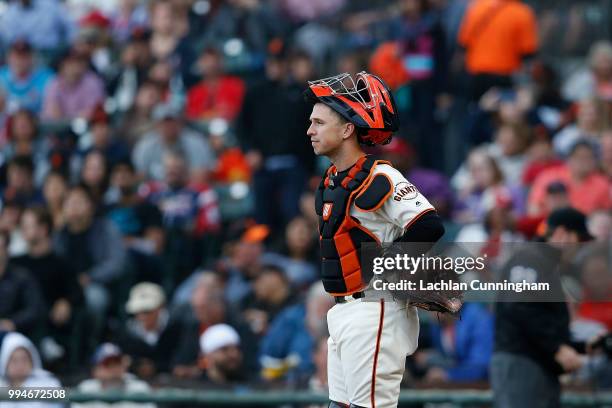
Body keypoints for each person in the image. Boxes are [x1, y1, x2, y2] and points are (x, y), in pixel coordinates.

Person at [304, 71, 447, 407]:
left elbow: (429, 225)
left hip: (376, 308)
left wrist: (393, 267)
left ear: (347, 128)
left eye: (319, 122)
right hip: (343, 311)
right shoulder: (331, 180)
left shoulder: (380, 175)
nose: (310, 130)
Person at [491, 207, 593, 408]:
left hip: (536, 365)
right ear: (562, 234)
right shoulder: (530, 259)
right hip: (521, 364)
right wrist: (558, 348)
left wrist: (581, 346)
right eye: (579, 239)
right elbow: (520, 307)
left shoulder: (545, 264)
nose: (581, 248)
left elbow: (540, 318)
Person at [458, 0, 538, 101]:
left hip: (474, 72)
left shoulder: (477, 6)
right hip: (503, 75)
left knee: (472, 110)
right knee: (495, 113)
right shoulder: (523, 13)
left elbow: (464, 42)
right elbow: (528, 52)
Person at [114, 283, 182, 379]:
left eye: (147, 311)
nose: (142, 316)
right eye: (137, 311)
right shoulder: (126, 333)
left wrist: (157, 367)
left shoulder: (178, 327)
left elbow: (181, 365)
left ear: (160, 307)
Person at [73, 343, 156, 408]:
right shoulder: (86, 388)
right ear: (96, 370)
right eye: (108, 364)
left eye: (117, 363)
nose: (114, 368)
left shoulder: (139, 387)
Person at [0, 332, 62, 408]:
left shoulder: (49, 383)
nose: (20, 365)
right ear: (5, 362)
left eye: (24, 359)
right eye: (14, 360)